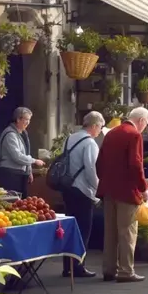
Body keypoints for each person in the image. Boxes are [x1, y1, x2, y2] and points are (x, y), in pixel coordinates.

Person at [96, 107, 148, 283]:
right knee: (127, 231)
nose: (145, 127)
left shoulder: (111, 134)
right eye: (147, 124)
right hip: (127, 191)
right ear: (141, 121)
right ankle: (126, 271)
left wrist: (105, 179)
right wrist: (143, 188)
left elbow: (99, 162)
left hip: (108, 189)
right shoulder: (134, 135)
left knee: (110, 231)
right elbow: (136, 164)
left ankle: (108, 269)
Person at [60, 111, 103, 278]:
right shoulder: (90, 143)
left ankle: (67, 266)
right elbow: (91, 169)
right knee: (83, 230)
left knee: (70, 228)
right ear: (93, 126)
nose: (100, 130)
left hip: (68, 188)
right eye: (100, 126)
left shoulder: (71, 138)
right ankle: (78, 267)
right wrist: (98, 189)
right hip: (83, 190)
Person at [0, 107, 45, 197]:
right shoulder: (10, 135)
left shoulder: (22, 134)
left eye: (29, 120)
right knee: (11, 203)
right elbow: (17, 156)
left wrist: (29, 171)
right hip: (10, 174)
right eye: (26, 119)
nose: (28, 122)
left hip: (19, 174)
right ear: (18, 119)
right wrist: (34, 161)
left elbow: (26, 153)